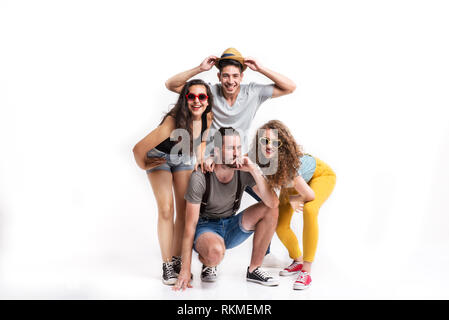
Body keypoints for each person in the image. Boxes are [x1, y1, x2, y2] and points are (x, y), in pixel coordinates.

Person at [166, 48, 296, 265]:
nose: (230, 80)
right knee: (197, 206)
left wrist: (261, 68)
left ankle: (263, 255)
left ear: (242, 77)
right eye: (225, 75)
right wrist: (200, 68)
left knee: (271, 203)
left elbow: (290, 87)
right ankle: (194, 252)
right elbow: (172, 85)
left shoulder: (252, 92)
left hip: (239, 161)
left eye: (235, 76)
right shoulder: (211, 92)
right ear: (218, 76)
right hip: (211, 161)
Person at [173, 127, 279, 291]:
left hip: (231, 226)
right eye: (230, 148)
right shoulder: (200, 176)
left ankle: (254, 269)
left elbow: (273, 203)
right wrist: (185, 270)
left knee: (271, 209)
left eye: (238, 148)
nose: (236, 153)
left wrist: (253, 169)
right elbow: (189, 226)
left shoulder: (243, 172)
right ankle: (209, 263)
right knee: (214, 253)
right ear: (217, 150)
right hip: (206, 227)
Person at [132, 79, 214, 285]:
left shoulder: (208, 117)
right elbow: (137, 149)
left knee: (185, 211)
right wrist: (146, 165)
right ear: (185, 99)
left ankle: (178, 261)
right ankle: (167, 265)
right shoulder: (172, 121)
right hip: (159, 156)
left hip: (183, 156)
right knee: (167, 210)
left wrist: (201, 157)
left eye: (202, 97)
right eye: (191, 96)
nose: (197, 101)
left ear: (208, 100)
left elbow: (203, 140)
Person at [251, 120, 336, 290]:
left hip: (320, 176)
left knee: (310, 210)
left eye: (275, 142)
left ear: (282, 146)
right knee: (280, 224)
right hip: (292, 184)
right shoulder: (261, 159)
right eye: (264, 141)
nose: (269, 146)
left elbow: (310, 195)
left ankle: (306, 270)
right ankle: (297, 259)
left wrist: (295, 198)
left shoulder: (289, 167)